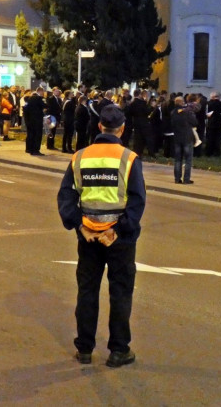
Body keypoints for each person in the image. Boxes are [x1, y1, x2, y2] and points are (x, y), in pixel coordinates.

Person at [57, 105, 146, 368]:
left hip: (88, 237)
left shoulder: (80, 157)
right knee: (120, 293)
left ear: (99, 127)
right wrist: (118, 230)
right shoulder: (128, 158)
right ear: (121, 129)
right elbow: (137, 201)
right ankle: (119, 351)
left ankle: (85, 348)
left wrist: (78, 225)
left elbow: (66, 196)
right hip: (119, 239)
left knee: (87, 291)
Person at [170, 96, 197, 184]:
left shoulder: (173, 112)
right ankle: (186, 179)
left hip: (177, 138)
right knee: (188, 159)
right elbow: (195, 122)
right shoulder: (187, 112)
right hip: (187, 138)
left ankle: (177, 179)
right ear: (181, 103)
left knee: (178, 159)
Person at [204, 91, 221, 157]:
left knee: (210, 139)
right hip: (219, 124)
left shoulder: (209, 104)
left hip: (211, 124)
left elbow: (206, 114)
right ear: (219, 97)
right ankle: (217, 153)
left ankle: (209, 152)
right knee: (218, 139)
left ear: (212, 97)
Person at [24, 86, 47, 155]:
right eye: (43, 92)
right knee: (37, 135)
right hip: (37, 120)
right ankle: (36, 150)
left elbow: (25, 109)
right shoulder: (38, 98)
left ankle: (30, 149)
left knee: (31, 135)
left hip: (30, 120)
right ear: (40, 91)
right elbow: (45, 106)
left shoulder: (29, 99)